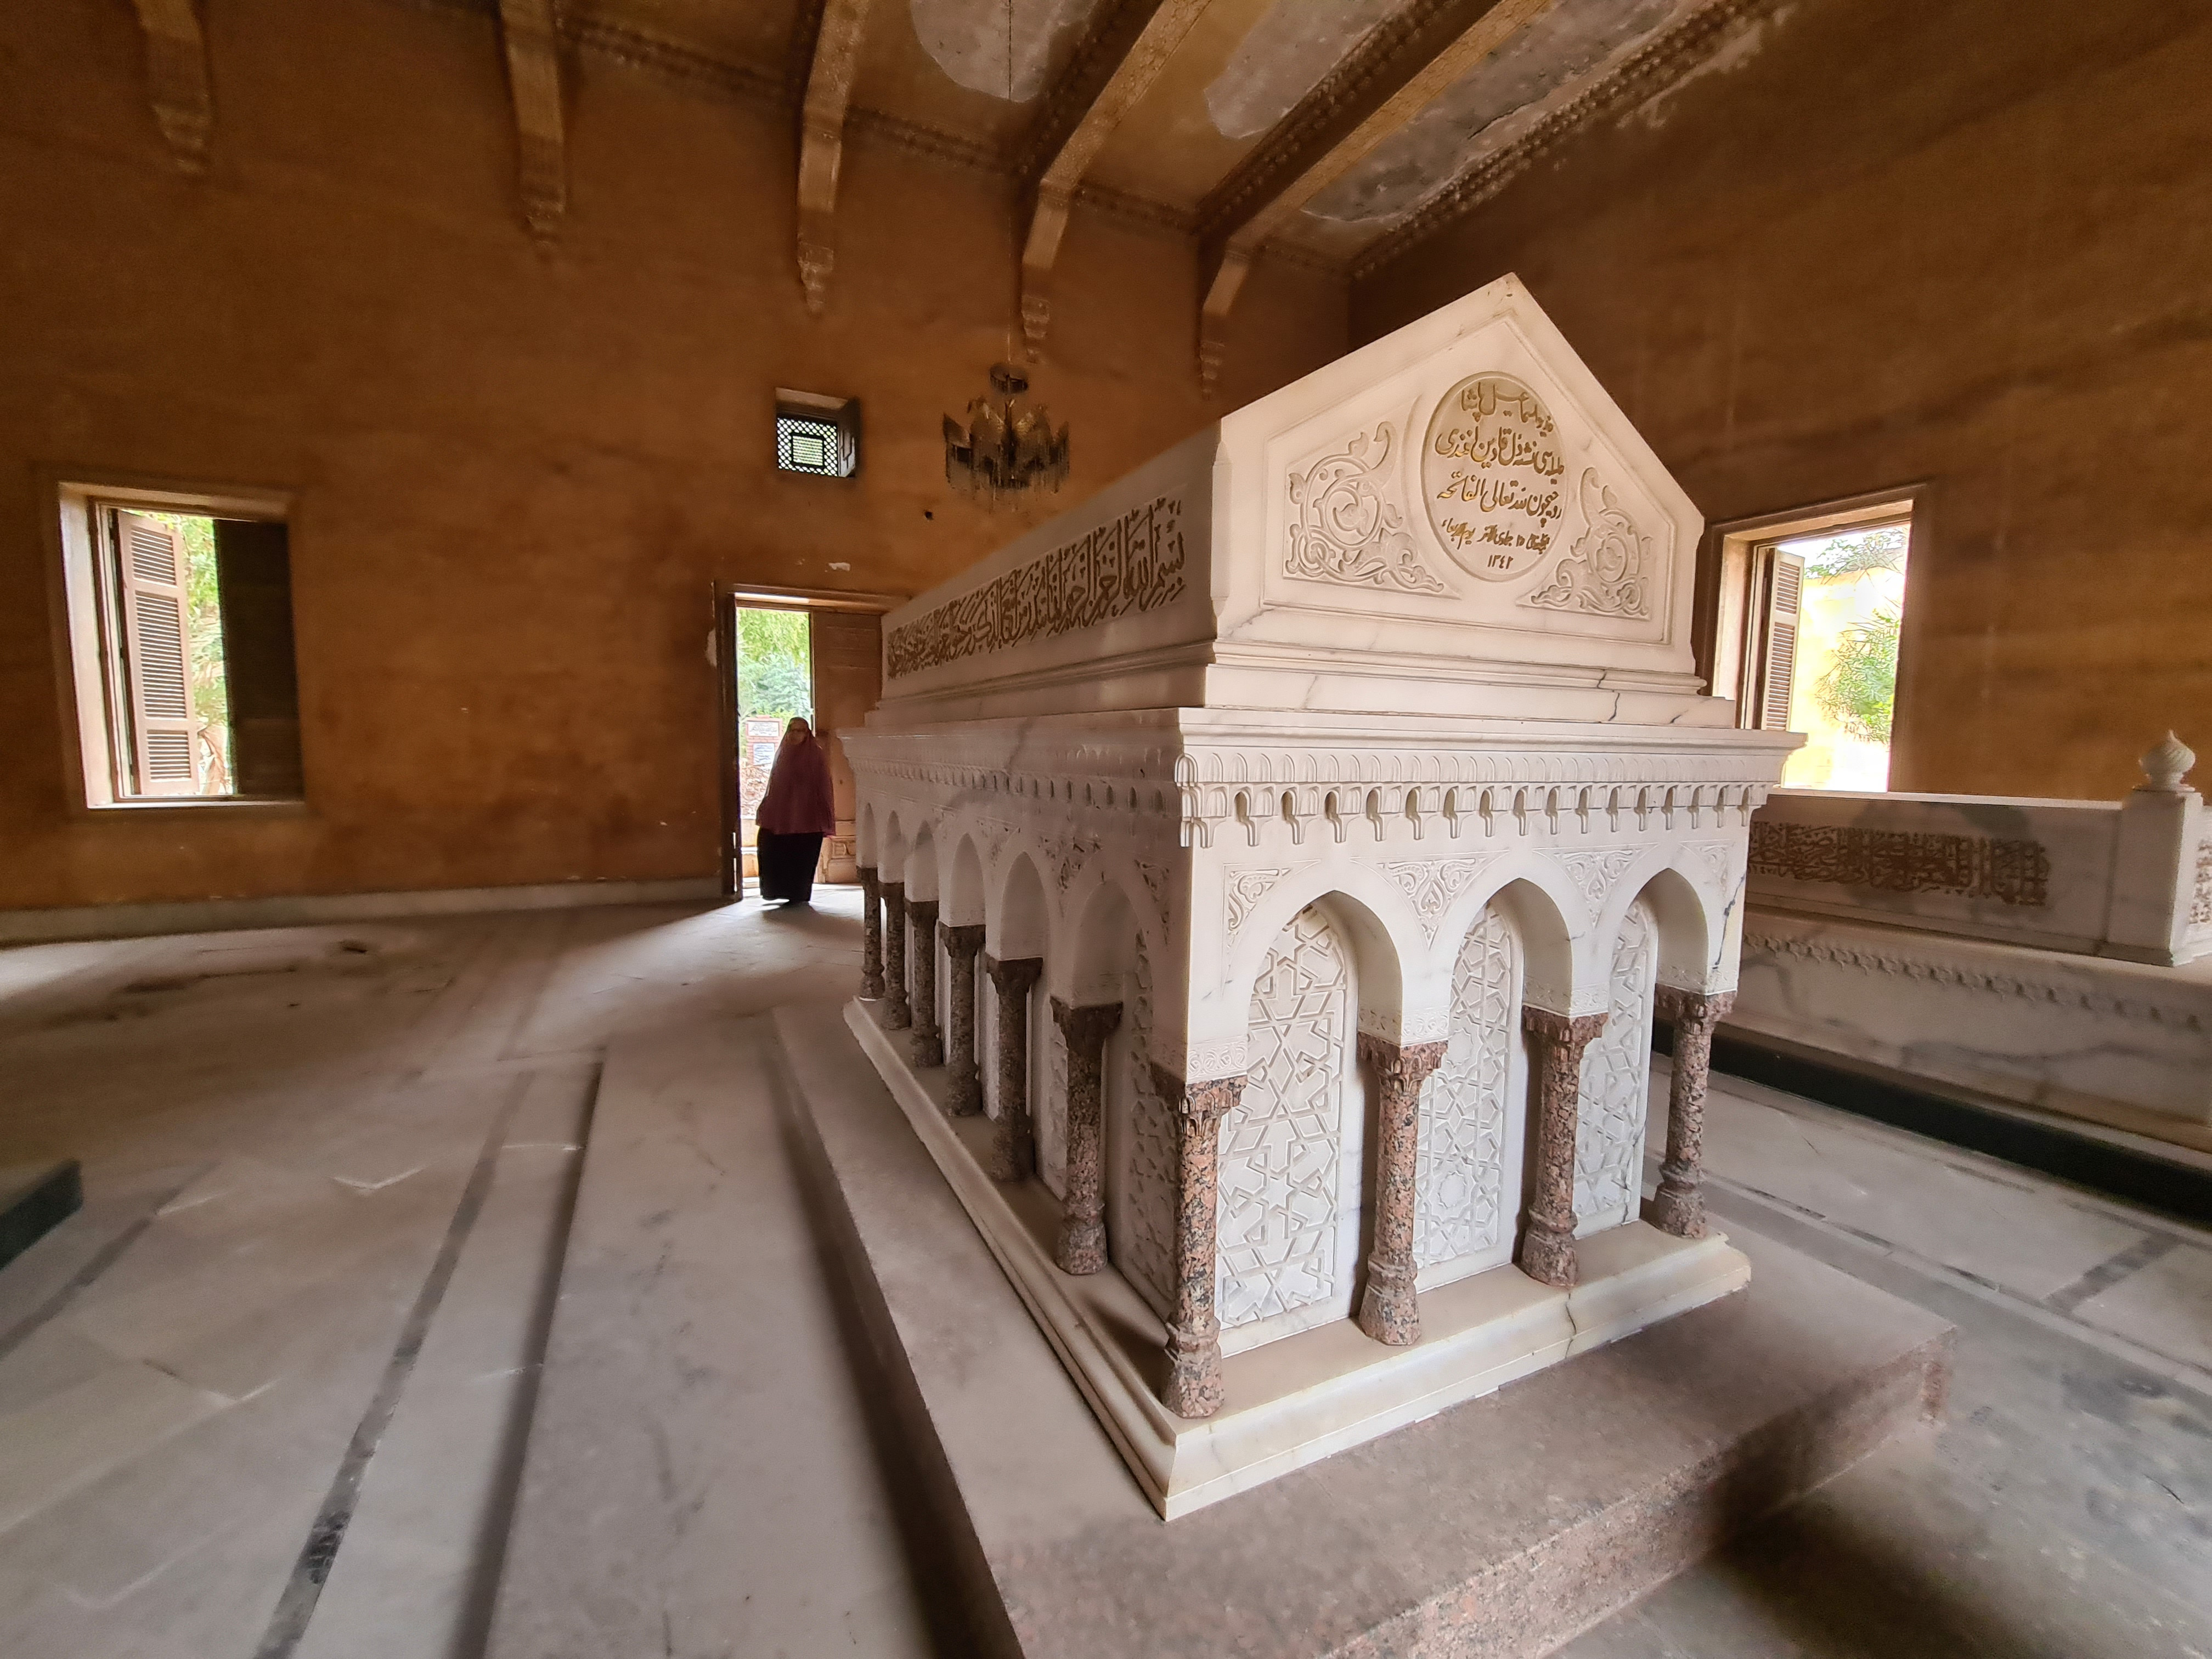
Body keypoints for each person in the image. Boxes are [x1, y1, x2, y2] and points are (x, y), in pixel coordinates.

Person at [755, 717, 836, 905]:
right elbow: (774, 785)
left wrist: (823, 815)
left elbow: (824, 787)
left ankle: (797, 893)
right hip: (780, 817)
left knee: (801, 855)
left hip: (807, 818)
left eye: (800, 731)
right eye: (792, 730)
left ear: (807, 734)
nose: (795, 735)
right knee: (770, 846)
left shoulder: (816, 755)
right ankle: (774, 890)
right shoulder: (783, 753)